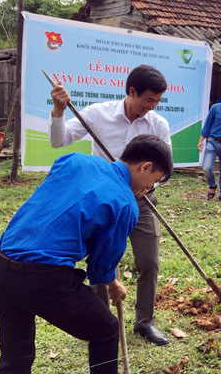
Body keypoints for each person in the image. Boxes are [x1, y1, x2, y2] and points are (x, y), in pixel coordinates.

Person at [0, 135, 173, 374]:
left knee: (16, 353)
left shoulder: (73, 160)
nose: (148, 189)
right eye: (153, 181)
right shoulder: (125, 203)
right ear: (145, 167)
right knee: (106, 330)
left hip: (2, 268)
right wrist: (114, 284)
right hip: (44, 278)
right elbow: (100, 267)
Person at [48, 64, 172, 345]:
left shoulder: (158, 124)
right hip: (103, 203)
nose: (151, 107)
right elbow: (59, 140)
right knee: (101, 263)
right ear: (131, 91)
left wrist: (150, 185)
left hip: (142, 202)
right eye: (148, 100)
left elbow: (162, 169)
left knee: (149, 261)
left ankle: (145, 322)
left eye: (157, 101)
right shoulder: (97, 114)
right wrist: (58, 111)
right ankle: (101, 322)